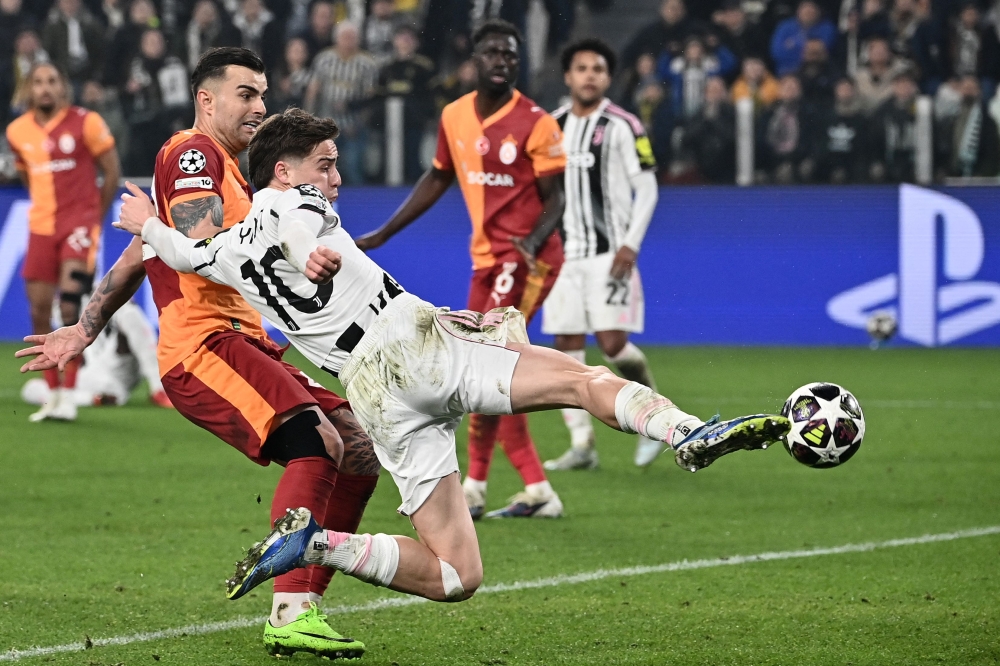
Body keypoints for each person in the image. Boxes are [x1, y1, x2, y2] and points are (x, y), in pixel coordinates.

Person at [109, 107, 791, 611]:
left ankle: (314, 544)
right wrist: (311, 251)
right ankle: (686, 432)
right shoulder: (298, 203)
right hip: (415, 347)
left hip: (372, 393)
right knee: (583, 380)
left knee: (456, 575)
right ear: (284, 172)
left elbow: (184, 253)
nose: (336, 178)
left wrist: (148, 225)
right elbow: (298, 226)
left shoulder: (228, 248)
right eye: (325, 164)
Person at [16, 48, 378, 661]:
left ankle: (304, 601)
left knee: (358, 448)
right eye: (246, 94)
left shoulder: (229, 172)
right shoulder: (192, 152)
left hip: (243, 340)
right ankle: (290, 611)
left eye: (263, 94)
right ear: (206, 100)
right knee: (318, 442)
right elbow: (198, 241)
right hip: (204, 344)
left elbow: (142, 252)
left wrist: (85, 326)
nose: (259, 106)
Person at [356, 19, 568, 520]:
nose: (502, 61)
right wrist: (385, 233)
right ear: (474, 60)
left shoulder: (537, 122)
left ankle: (516, 487)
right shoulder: (454, 116)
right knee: (482, 367)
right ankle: (495, 487)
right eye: (493, 52)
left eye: (510, 54)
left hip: (527, 259)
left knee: (490, 363)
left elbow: (557, 200)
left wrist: (531, 241)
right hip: (486, 258)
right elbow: (437, 177)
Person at [541, 38, 662, 471]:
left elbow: (648, 187)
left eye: (597, 69)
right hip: (563, 257)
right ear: (568, 76)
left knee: (613, 345)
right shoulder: (550, 126)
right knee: (566, 347)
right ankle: (582, 445)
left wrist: (631, 244)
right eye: (581, 68)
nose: (589, 76)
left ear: (608, 78)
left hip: (609, 254)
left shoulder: (624, 125)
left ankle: (652, 413)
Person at [6, 62, 120, 422]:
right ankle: (52, 395)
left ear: (63, 87)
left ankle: (69, 394)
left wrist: (93, 218)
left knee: (70, 306)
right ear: (29, 89)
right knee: (39, 311)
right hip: (41, 227)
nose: (45, 88)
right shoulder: (17, 131)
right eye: (38, 82)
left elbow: (112, 171)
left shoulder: (87, 122)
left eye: (52, 81)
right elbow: (27, 174)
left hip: (79, 225)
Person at [21, 301, 173, 408]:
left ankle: (158, 388)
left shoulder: (104, 296)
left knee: (130, 313)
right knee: (31, 388)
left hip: (111, 372)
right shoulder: (65, 306)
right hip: (91, 379)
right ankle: (95, 399)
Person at [304, 21, 378, 185]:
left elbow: (370, 98)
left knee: (353, 166)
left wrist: (359, 123)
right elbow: (313, 90)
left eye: (352, 37)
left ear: (358, 39)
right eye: (344, 37)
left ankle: (358, 199)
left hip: (353, 125)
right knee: (321, 167)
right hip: (325, 123)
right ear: (336, 38)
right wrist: (310, 120)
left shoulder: (367, 63)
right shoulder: (324, 59)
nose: (348, 41)